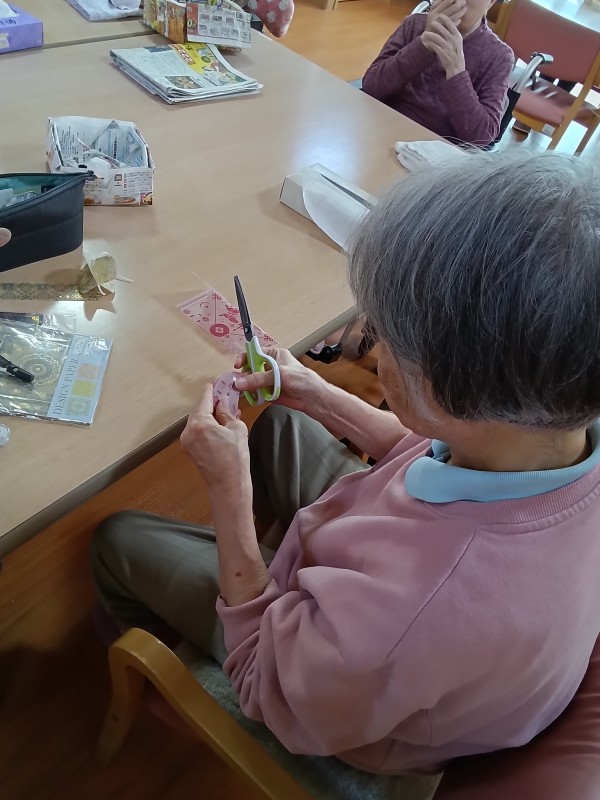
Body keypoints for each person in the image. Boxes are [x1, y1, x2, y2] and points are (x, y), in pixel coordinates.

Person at [91, 151, 600, 775]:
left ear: (453, 391)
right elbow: (424, 446)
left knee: (118, 539)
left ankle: (161, 664)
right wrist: (313, 391)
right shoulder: (546, 432)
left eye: (384, 337)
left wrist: (228, 489)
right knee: (283, 423)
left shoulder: (422, 608)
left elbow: (262, 679)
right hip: (400, 617)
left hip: (311, 688)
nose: (374, 350)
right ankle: (262, 570)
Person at [362, 0, 514, 147]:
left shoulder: (499, 56)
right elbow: (371, 86)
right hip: (384, 127)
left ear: (491, 2)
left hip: (437, 151)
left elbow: (482, 137)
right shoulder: (415, 24)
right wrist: (422, 45)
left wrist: (456, 71)